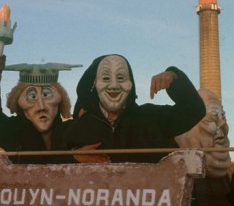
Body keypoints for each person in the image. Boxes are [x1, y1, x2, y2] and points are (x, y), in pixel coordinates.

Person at [61, 54, 205, 163]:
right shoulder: (78, 127)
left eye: (121, 78)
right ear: (95, 85)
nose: (114, 86)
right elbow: (47, 162)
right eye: (105, 78)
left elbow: (193, 111)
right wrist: (73, 156)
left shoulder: (152, 118)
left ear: (131, 84)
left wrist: (174, 77)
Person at [0, 56, 79, 163]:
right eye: (32, 97)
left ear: (60, 100)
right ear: (19, 102)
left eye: (46, 95)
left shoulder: (73, 132)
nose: (41, 107)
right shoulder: (14, 133)